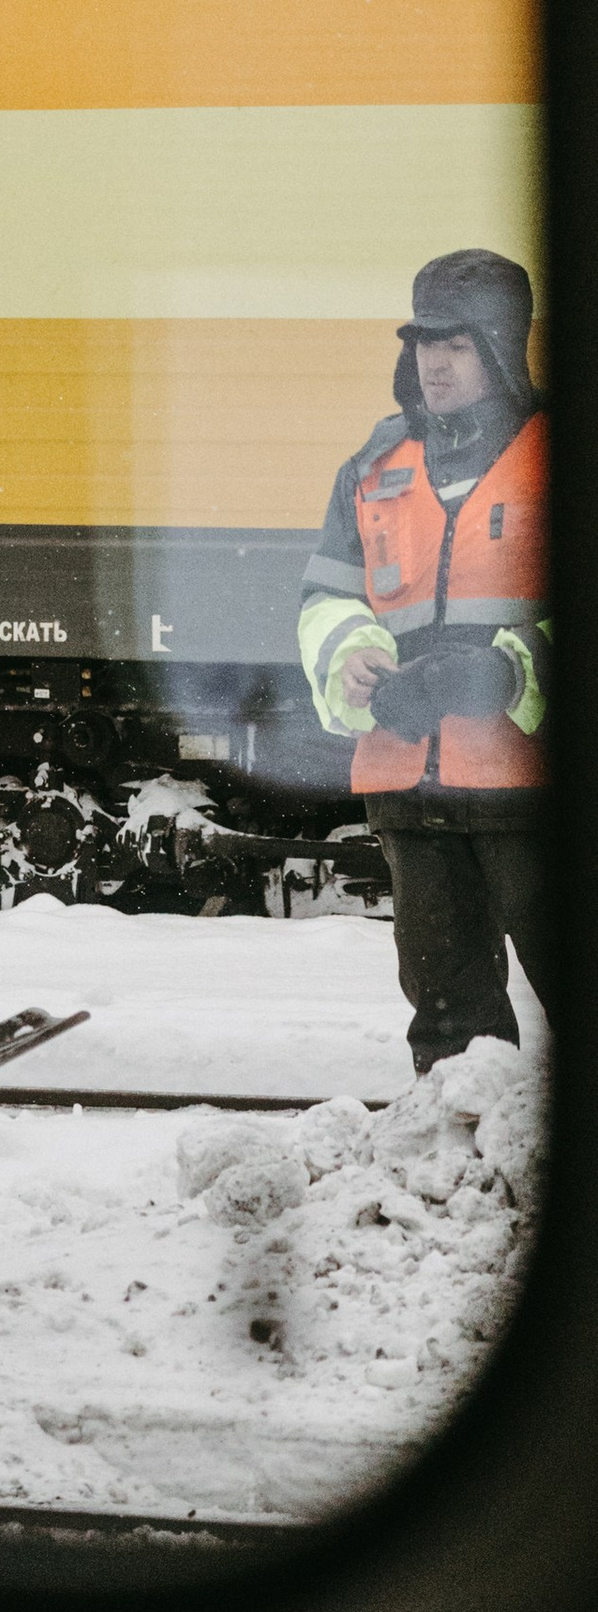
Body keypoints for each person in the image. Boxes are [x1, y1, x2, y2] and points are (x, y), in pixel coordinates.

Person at [297, 248, 550, 1072]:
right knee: (448, 1027)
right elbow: (328, 601)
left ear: (505, 345)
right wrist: (354, 661)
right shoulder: (373, 467)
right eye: (422, 343)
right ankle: (460, 1172)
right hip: (411, 785)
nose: (432, 363)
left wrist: (508, 672)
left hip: (533, 793)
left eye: (457, 344)